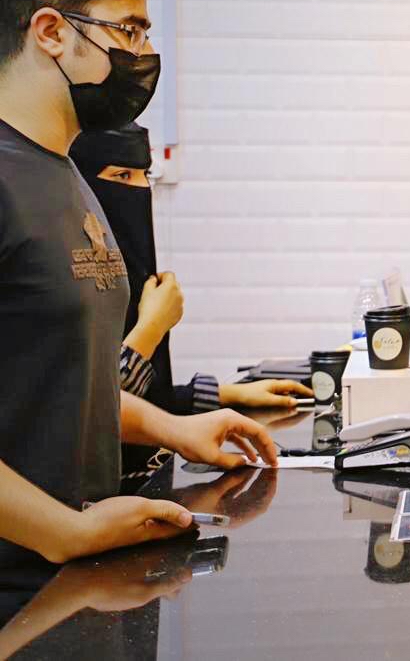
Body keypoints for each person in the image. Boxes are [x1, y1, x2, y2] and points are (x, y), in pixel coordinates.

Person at [0, 0, 278, 613]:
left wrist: (173, 426)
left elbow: (55, 381)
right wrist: (66, 532)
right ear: (50, 32)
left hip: (79, 581)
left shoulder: (63, 172)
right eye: (127, 30)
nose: (144, 54)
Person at [68, 123, 311, 480]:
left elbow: (149, 400)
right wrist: (151, 328)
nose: (140, 189)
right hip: (98, 497)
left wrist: (229, 394)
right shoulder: (67, 277)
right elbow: (88, 412)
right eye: (121, 175)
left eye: (145, 175)